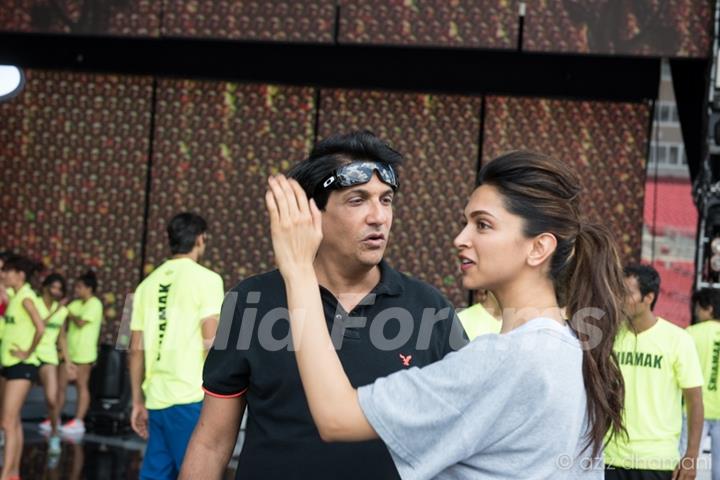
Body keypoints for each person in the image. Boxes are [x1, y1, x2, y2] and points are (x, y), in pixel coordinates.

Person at [262, 150, 630, 479]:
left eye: (482, 224)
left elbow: (337, 417)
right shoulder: (571, 349)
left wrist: (297, 270)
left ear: (538, 248)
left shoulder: (504, 360)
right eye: (466, 222)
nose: (460, 238)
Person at [180, 131, 466, 480]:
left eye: (386, 199)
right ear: (312, 213)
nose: (379, 217)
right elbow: (212, 441)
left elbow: (460, 439)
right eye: (357, 200)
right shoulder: (252, 302)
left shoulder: (429, 308)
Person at [129, 212, 224, 480]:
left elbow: (136, 348)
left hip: (156, 398)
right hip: (190, 397)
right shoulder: (207, 279)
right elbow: (210, 340)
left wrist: (137, 401)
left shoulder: (146, 285)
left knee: (156, 474)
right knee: (197, 473)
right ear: (200, 239)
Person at [604, 264, 704, 480]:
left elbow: (695, 402)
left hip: (657, 460)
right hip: (611, 458)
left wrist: (691, 456)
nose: (620, 298)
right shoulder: (609, 337)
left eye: (627, 293)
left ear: (648, 298)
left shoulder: (678, 340)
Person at [0, 254, 45, 480]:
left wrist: (27, 351)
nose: (4, 274)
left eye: (8, 271)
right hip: (10, 364)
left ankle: (6, 472)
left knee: (7, 421)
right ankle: (13, 473)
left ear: (20, 275)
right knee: (13, 421)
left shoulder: (26, 297)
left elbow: (40, 327)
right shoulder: (15, 295)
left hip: (22, 365)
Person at [57, 270, 103, 435]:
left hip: (85, 354)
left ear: (89, 288)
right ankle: (55, 418)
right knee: (60, 386)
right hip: (69, 353)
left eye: (80, 287)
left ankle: (78, 421)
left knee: (81, 385)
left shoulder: (95, 303)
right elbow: (60, 320)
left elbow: (81, 322)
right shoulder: (75, 304)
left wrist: (67, 311)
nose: (76, 290)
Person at [680, 287, 720, 478]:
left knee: (685, 465)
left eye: (698, 307)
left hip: (694, 412)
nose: (696, 311)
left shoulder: (689, 333)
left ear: (709, 309)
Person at [35, 273, 70, 455]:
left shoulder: (62, 310)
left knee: (52, 398)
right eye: (53, 287)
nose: (56, 291)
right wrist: (56, 311)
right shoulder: (33, 302)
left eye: (59, 289)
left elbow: (62, 336)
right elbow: (38, 325)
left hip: (49, 355)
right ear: (45, 286)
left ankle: (55, 434)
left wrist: (69, 361)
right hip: (29, 352)